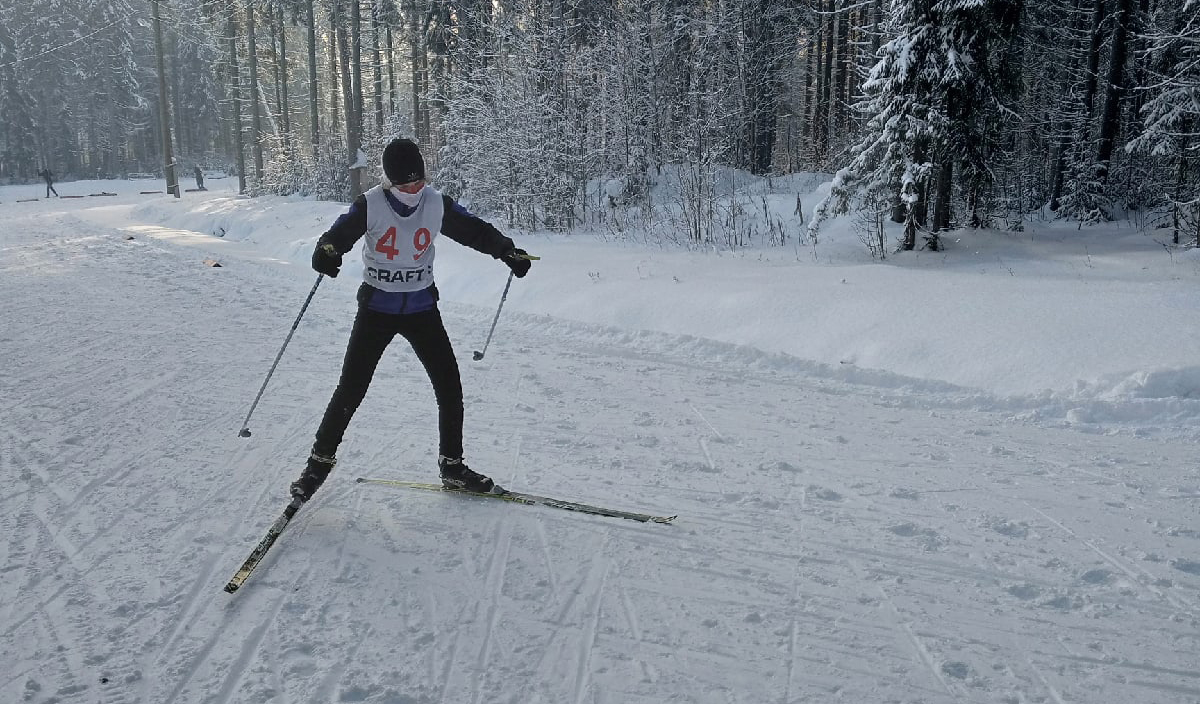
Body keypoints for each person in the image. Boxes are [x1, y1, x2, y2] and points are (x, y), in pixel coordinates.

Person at [289, 137, 533, 504]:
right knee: (351, 389)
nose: (413, 190)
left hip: (421, 309)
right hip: (377, 311)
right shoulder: (370, 204)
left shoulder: (434, 203)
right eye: (405, 184)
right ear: (389, 181)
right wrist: (326, 251)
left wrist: (506, 249)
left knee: (450, 388)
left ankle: (453, 466)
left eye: (418, 181)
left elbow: (474, 230)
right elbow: (337, 236)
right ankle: (316, 466)